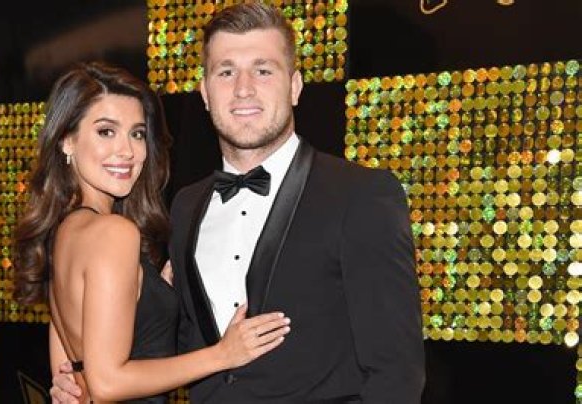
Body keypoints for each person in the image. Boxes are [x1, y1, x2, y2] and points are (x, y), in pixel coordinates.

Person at [52, 2, 425, 403]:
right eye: (226, 72)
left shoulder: (361, 195)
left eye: (263, 70)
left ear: (295, 86)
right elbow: (170, 343)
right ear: (205, 92)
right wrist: (81, 378)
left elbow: (396, 373)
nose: (243, 88)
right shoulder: (185, 206)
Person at [13, 62, 291, 404]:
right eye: (106, 131)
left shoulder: (62, 232)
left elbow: (68, 372)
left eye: (137, 133)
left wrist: (151, 290)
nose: (127, 151)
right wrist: (223, 354)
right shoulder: (114, 233)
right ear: (67, 141)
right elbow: (107, 383)